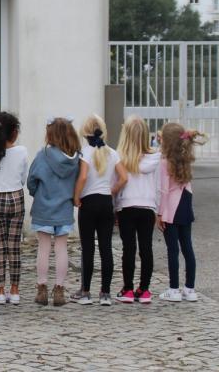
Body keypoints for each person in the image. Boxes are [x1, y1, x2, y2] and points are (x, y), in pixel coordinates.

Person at [70, 115, 128, 306]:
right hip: (105, 203)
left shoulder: (85, 152)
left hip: (88, 203)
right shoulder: (111, 152)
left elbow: (83, 176)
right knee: (106, 248)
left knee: (88, 248)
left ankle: (85, 291)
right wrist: (111, 191)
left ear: (84, 132)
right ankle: (105, 293)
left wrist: (76, 196)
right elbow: (124, 178)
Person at [27, 117, 81, 307]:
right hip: (64, 208)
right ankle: (59, 289)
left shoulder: (42, 155)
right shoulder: (76, 159)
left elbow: (31, 181)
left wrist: (37, 193)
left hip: (43, 207)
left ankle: (41, 289)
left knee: (43, 248)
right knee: (61, 249)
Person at [114, 115, 162, 304]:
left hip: (126, 206)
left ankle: (127, 289)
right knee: (146, 248)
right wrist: (158, 210)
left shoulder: (119, 158)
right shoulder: (155, 158)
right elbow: (158, 187)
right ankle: (144, 289)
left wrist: (115, 207)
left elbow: (116, 183)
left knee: (128, 248)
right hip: (147, 207)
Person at [157, 123, 206, 303]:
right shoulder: (186, 158)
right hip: (185, 204)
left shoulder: (164, 162)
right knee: (187, 248)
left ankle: (173, 289)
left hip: (170, 208)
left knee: (172, 250)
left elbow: (163, 190)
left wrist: (159, 214)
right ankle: (190, 289)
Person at [0, 112, 28, 305]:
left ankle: (0, 291)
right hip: (16, 196)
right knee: (14, 246)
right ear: (14, 133)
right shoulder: (22, 152)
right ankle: (15, 290)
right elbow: (24, 178)